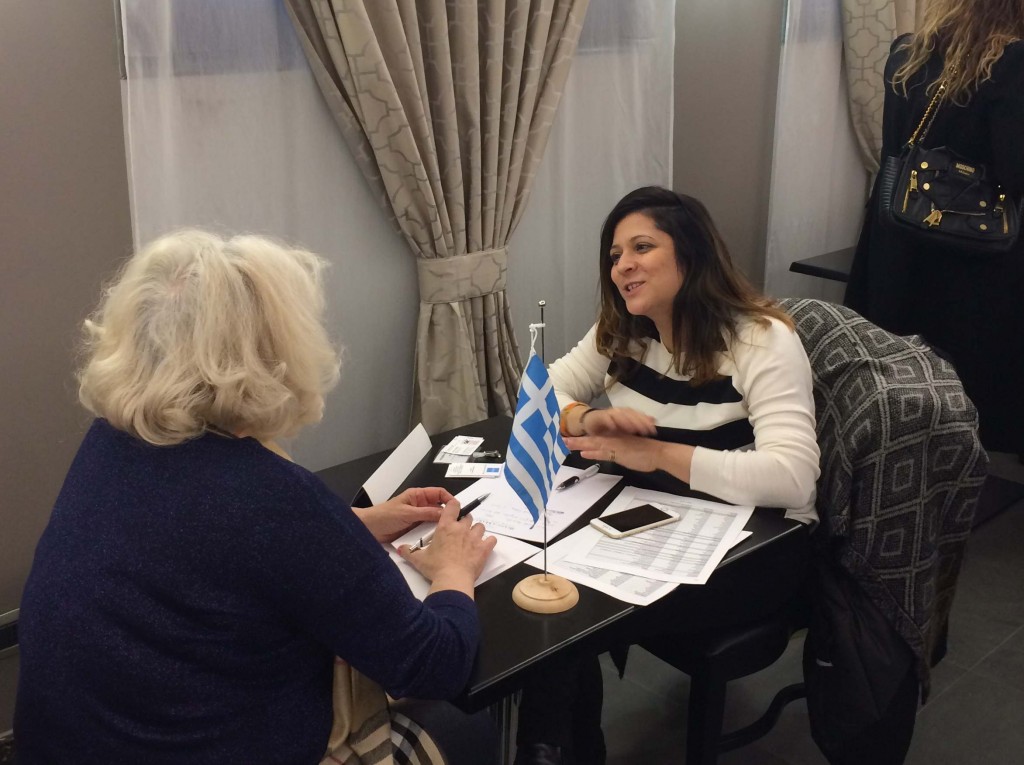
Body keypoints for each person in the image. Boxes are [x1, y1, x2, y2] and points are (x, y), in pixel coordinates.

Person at [14, 230, 498, 765]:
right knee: (464, 725)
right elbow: (433, 665)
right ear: (276, 352)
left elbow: (201, 551)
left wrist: (350, 525)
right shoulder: (273, 500)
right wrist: (454, 570)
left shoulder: (109, 444)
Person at [514, 187, 820, 765]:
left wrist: (657, 454)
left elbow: (793, 477)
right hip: (667, 520)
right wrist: (585, 416)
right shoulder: (623, 331)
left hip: (756, 545)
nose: (622, 266)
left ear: (691, 252)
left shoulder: (761, 339)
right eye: (614, 255)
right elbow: (539, 395)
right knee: (550, 581)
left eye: (641, 247)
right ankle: (558, 748)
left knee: (572, 606)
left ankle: (549, 749)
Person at [844, 0, 1024, 455]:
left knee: (903, 388)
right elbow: (1016, 171)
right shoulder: (1013, 65)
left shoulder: (907, 55)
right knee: (962, 401)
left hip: (897, 245)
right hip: (971, 258)